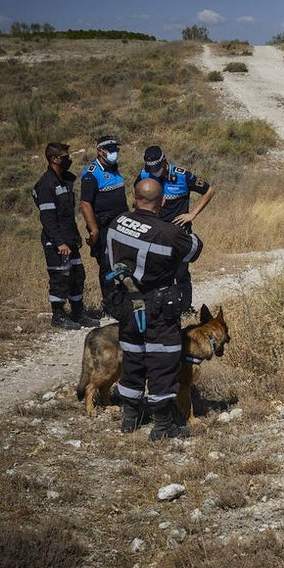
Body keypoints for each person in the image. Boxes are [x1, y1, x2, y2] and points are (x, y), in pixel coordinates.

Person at [107, 178, 203, 440]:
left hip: (126, 303)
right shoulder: (168, 233)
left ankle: (130, 417)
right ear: (162, 202)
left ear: (134, 197)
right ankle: (163, 425)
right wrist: (182, 228)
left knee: (133, 357)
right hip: (157, 307)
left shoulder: (117, 222)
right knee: (163, 361)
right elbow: (195, 249)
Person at [138, 145, 215, 311]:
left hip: (178, 233)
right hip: (156, 232)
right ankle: (159, 306)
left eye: (156, 168)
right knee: (157, 271)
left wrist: (192, 214)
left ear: (164, 161)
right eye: (150, 169)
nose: (154, 172)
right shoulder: (145, 174)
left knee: (181, 272)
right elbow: (136, 189)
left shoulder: (183, 175)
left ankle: (185, 308)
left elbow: (209, 190)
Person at [31, 142, 99, 329]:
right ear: (54, 159)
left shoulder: (64, 181)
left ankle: (78, 312)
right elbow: (48, 218)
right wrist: (59, 242)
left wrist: (75, 236)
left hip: (70, 238)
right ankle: (58, 316)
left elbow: (68, 215)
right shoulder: (47, 184)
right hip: (57, 241)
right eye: (65, 157)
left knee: (77, 275)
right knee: (60, 277)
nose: (69, 159)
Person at [79, 135, 128, 305]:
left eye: (117, 149)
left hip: (121, 225)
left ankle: (124, 300)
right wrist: (94, 230)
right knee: (107, 265)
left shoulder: (114, 168)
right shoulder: (91, 174)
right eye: (111, 149)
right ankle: (109, 304)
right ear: (100, 151)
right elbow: (85, 204)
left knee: (124, 262)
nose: (115, 152)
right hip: (104, 227)